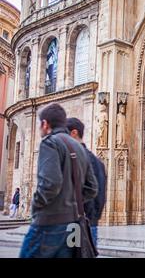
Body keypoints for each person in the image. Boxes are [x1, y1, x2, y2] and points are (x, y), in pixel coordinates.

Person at [19, 104, 98, 258]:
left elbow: (50, 183)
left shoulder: (50, 143)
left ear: (45, 123)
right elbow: (92, 188)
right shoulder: (80, 148)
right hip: (74, 224)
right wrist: (73, 202)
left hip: (49, 223)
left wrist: (36, 206)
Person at [67, 117, 107, 248]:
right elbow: (100, 197)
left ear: (74, 133)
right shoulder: (98, 163)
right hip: (91, 223)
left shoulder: (75, 160)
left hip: (75, 224)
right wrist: (94, 216)